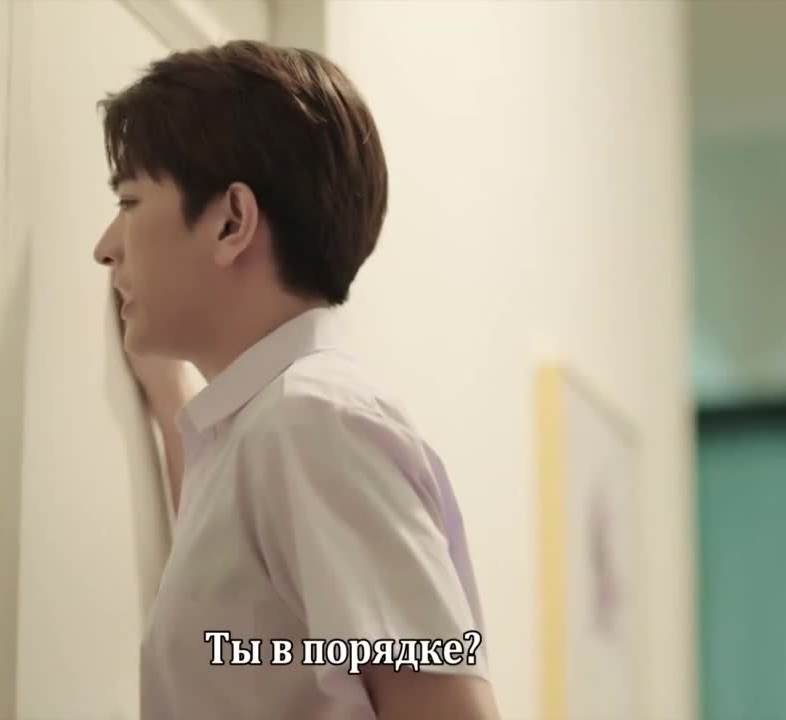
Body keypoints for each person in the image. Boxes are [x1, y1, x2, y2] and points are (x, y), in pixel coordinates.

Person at [92, 40, 499, 720]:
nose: (106, 247)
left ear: (232, 222)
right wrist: (171, 405)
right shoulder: (273, 428)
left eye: (130, 202)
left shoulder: (313, 424)